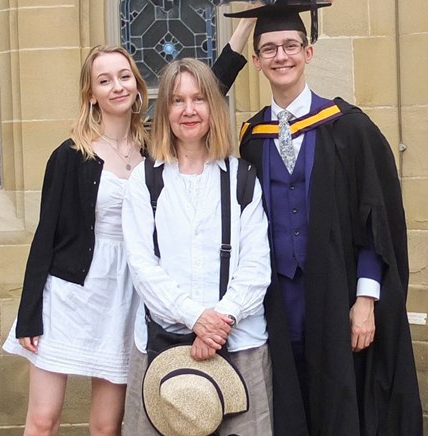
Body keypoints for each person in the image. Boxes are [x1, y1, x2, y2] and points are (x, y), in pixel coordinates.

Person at [1, 18, 257, 435]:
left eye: (124, 76)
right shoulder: (69, 156)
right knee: (43, 418)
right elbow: (44, 237)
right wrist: (29, 314)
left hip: (128, 295)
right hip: (70, 296)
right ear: (92, 94)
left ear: (138, 86)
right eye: (105, 80)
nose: (117, 86)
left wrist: (246, 23)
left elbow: (210, 86)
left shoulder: (154, 149)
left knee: (107, 425)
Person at [225, 1, 423, 435]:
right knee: (287, 407)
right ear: (256, 62)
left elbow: (375, 223)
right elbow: (187, 112)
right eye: (270, 49)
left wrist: (366, 301)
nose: (282, 56)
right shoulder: (251, 138)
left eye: (291, 45)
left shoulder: (349, 129)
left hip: (337, 297)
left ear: (308, 52)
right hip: (275, 303)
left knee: (340, 402)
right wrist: (234, 44)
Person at [121, 57, 273, 435]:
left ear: (213, 107)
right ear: (166, 111)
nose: (189, 110)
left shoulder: (243, 178)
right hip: (164, 348)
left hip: (240, 346)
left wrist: (220, 322)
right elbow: (142, 265)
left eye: (199, 99)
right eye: (177, 100)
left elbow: (256, 265)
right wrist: (195, 319)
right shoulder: (145, 180)